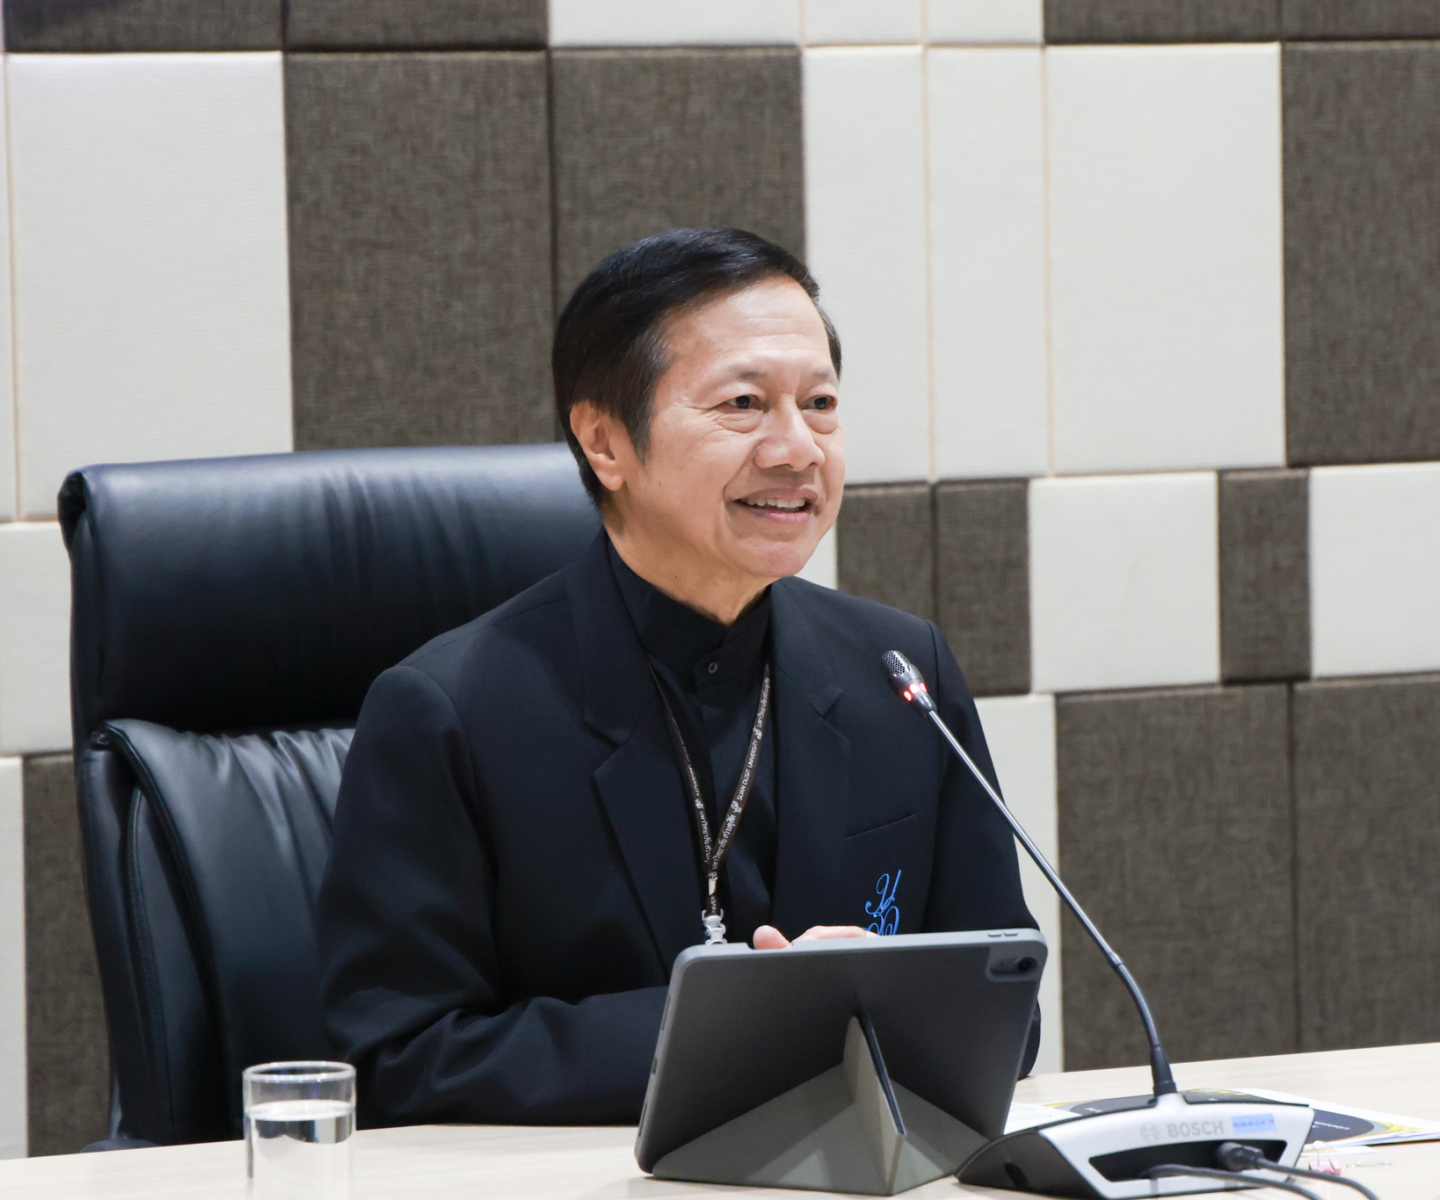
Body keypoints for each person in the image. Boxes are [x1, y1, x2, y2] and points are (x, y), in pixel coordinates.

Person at [316, 228, 1037, 1126]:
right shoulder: (450, 712)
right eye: (743, 403)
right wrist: (739, 1027)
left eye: (819, 404)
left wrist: (890, 1005)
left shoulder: (901, 672)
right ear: (605, 443)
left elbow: (1004, 1000)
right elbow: (396, 1056)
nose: (797, 449)